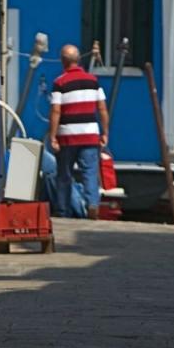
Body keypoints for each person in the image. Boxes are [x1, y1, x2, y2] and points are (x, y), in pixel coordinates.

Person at [49, 44, 109, 219]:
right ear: (79, 59)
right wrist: (105, 132)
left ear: (63, 61)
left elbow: (55, 111)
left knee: (64, 175)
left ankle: (62, 210)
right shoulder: (93, 81)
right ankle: (92, 204)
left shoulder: (59, 83)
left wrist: (52, 136)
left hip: (67, 136)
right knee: (89, 172)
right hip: (90, 134)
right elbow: (102, 109)